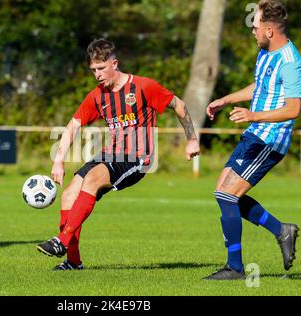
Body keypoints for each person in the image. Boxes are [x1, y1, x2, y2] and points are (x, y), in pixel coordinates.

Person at [36, 38, 200, 270]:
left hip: (137, 158)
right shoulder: (97, 96)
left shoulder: (143, 86)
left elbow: (179, 105)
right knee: (68, 195)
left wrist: (192, 139)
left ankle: (61, 241)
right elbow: (73, 125)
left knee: (92, 180)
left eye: (101, 68)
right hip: (110, 154)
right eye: (93, 70)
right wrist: (58, 160)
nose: (97, 75)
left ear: (115, 63)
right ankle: (73, 262)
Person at [204, 0, 301, 280]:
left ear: (270, 30)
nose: (253, 31)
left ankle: (235, 267)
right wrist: (225, 99)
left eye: (256, 25)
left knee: (227, 194)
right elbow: (259, 86)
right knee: (223, 194)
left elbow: (293, 109)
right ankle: (281, 230)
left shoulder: (290, 62)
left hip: (270, 140)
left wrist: (253, 115)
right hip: (255, 134)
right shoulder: (265, 52)